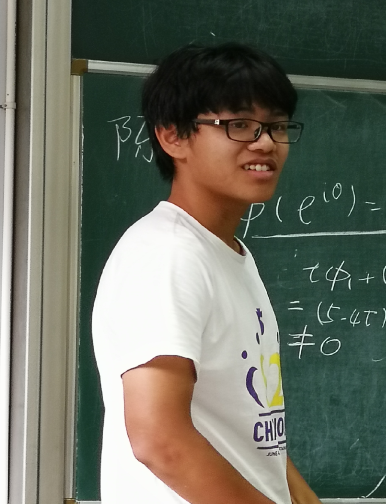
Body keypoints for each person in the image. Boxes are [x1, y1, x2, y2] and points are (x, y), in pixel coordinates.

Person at [92, 42, 320, 503]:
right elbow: (159, 439)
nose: (265, 143)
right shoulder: (167, 255)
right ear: (172, 136)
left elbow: (251, 431)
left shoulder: (225, 252)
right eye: (239, 124)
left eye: (277, 126)